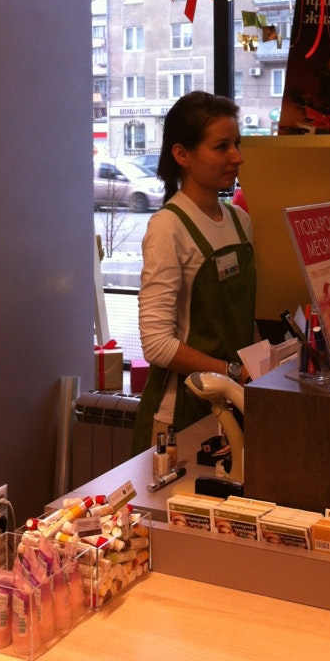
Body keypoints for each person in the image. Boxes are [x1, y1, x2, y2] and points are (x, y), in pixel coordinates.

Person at [130, 91, 256, 457]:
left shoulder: (240, 221)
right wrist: (232, 372)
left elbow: (238, 318)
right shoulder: (168, 228)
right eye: (221, 147)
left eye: (237, 144)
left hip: (232, 405)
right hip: (179, 415)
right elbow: (157, 344)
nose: (237, 157)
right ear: (182, 154)